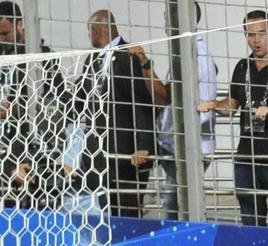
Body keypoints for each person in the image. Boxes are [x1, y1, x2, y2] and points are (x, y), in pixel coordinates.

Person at [199, 10, 268, 228]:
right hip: (246, 157)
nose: (256, 40)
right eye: (251, 34)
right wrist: (213, 104)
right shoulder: (242, 67)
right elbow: (232, 105)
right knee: (250, 220)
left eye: (261, 33)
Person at [76, 9, 157, 218]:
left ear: (96, 31)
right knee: (107, 212)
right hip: (100, 156)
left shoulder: (129, 56)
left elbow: (142, 101)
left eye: (90, 32)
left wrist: (144, 146)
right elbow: (80, 98)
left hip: (127, 154)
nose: (90, 37)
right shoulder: (92, 60)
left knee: (128, 213)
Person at [151, 1, 218, 220]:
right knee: (177, 206)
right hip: (180, 144)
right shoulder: (187, 50)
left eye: (169, 15)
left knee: (175, 210)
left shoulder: (193, 54)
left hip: (187, 147)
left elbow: (166, 96)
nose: (165, 21)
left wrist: (144, 66)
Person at [0, 1, 69, 209]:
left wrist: (16, 110)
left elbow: (56, 103)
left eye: (5, 33)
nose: (1, 39)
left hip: (29, 149)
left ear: (20, 24)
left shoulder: (43, 57)